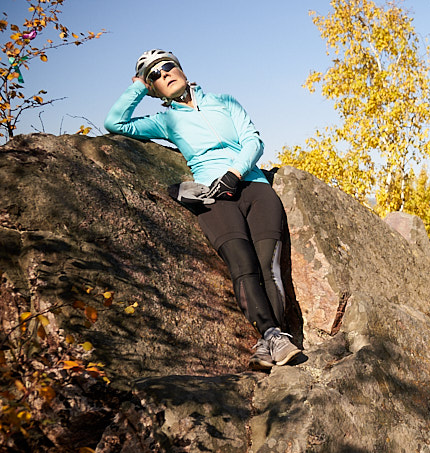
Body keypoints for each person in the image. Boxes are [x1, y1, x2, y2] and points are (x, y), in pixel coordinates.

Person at [105, 49, 302, 370]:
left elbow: (253, 140)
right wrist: (138, 86)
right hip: (213, 197)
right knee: (243, 265)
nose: (164, 74)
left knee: (270, 266)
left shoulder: (224, 101)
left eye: (167, 67)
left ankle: (270, 343)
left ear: (181, 69)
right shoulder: (165, 119)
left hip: (253, 186)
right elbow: (115, 123)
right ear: (153, 88)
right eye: (155, 75)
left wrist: (234, 173)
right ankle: (272, 335)